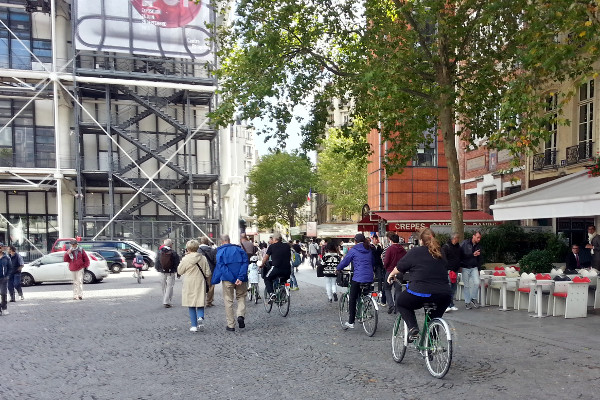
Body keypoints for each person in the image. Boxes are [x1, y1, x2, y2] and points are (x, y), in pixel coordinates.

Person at [387, 228, 452, 342]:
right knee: (434, 317)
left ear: (421, 240)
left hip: (420, 292)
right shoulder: (440, 252)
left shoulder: (415, 252)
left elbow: (400, 267)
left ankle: (413, 328)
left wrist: (391, 275)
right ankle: (431, 347)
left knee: (402, 302)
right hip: (443, 294)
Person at [336, 233, 375, 329]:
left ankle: (351, 321)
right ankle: (366, 308)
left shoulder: (353, 250)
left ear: (355, 241)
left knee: (352, 298)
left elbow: (345, 261)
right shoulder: (369, 249)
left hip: (358, 278)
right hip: (370, 277)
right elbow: (373, 262)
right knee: (365, 293)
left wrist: (338, 269)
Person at [212, 234, 249, 332]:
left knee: (228, 300)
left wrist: (232, 279)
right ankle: (240, 315)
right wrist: (240, 277)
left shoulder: (220, 251)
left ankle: (231, 324)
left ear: (221, 241)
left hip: (227, 279)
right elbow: (245, 263)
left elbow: (222, 267)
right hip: (241, 279)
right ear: (229, 240)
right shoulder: (240, 250)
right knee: (241, 297)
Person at [177, 239, 211, 332]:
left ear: (188, 248)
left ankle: (194, 325)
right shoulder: (203, 258)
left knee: (191, 304)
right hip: (200, 281)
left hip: (189, 282)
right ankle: (200, 317)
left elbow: (180, 271)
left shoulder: (185, 259)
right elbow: (208, 272)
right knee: (200, 301)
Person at [261, 232, 291, 300]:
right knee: (284, 280)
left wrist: (262, 264)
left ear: (275, 239)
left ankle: (271, 293)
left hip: (277, 268)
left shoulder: (271, 246)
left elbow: (266, 258)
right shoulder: (287, 245)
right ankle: (283, 292)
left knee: (267, 278)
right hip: (287, 270)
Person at [383, 234, 407, 314]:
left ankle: (391, 305)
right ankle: (397, 308)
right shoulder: (403, 250)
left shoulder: (390, 249)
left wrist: (386, 267)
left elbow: (386, 261)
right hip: (400, 271)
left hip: (390, 271)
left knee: (387, 289)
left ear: (391, 240)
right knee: (398, 290)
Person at [154, 238, 180, 308]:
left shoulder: (159, 252)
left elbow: (157, 261)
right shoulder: (173, 252)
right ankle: (167, 301)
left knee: (163, 286)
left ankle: (165, 299)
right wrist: (177, 271)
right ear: (170, 244)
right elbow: (177, 263)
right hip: (171, 271)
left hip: (162, 271)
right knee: (170, 286)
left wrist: (158, 269)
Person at [460, 231, 482, 309]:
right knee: (466, 285)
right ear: (473, 236)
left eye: (480, 238)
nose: (479, 239)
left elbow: (479, 258)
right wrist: (472, 255)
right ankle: (467, 302)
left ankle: (473, 298)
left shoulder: (478, 246)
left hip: (474, 267)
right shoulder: (464, 244)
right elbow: (461, 255)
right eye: (477, 237)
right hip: (465, 267)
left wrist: (479, 269)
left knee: (477, 282)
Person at [442, 233, 461, 312]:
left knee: (453, 287)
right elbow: (443, 258)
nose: (458, 239)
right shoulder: (446, 247)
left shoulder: (458, 247)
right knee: (449, 287)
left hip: (455, 270)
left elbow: (460, 257)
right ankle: (446, 304)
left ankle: (451, 303)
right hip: (449, 270)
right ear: (454, 238)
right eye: (457, 238)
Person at [198, 236, 217, 307]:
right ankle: (209, 301)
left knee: (201, 285)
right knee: (211, 286)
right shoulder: (212, 250)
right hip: (211, 269)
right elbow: (215, 261)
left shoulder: (197, 250)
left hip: (200, 270)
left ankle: (201, 301)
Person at [371, 235, 386, 305]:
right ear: (373, 239)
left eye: (377, 239)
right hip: (372, 264)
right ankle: (371, 289)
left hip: (379, 264)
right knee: (371, 277)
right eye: (376, 239)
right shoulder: (370, 247)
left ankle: (380, 290)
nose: (377, 241)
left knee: (380, 277)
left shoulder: (379, 247)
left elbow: (381, 254)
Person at [0, 244, 10, 315]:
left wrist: (7, 276)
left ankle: (4, 308)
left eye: (1, 247)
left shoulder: (6, 257)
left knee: (3, 293)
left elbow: (10, 267)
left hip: (3, 278)